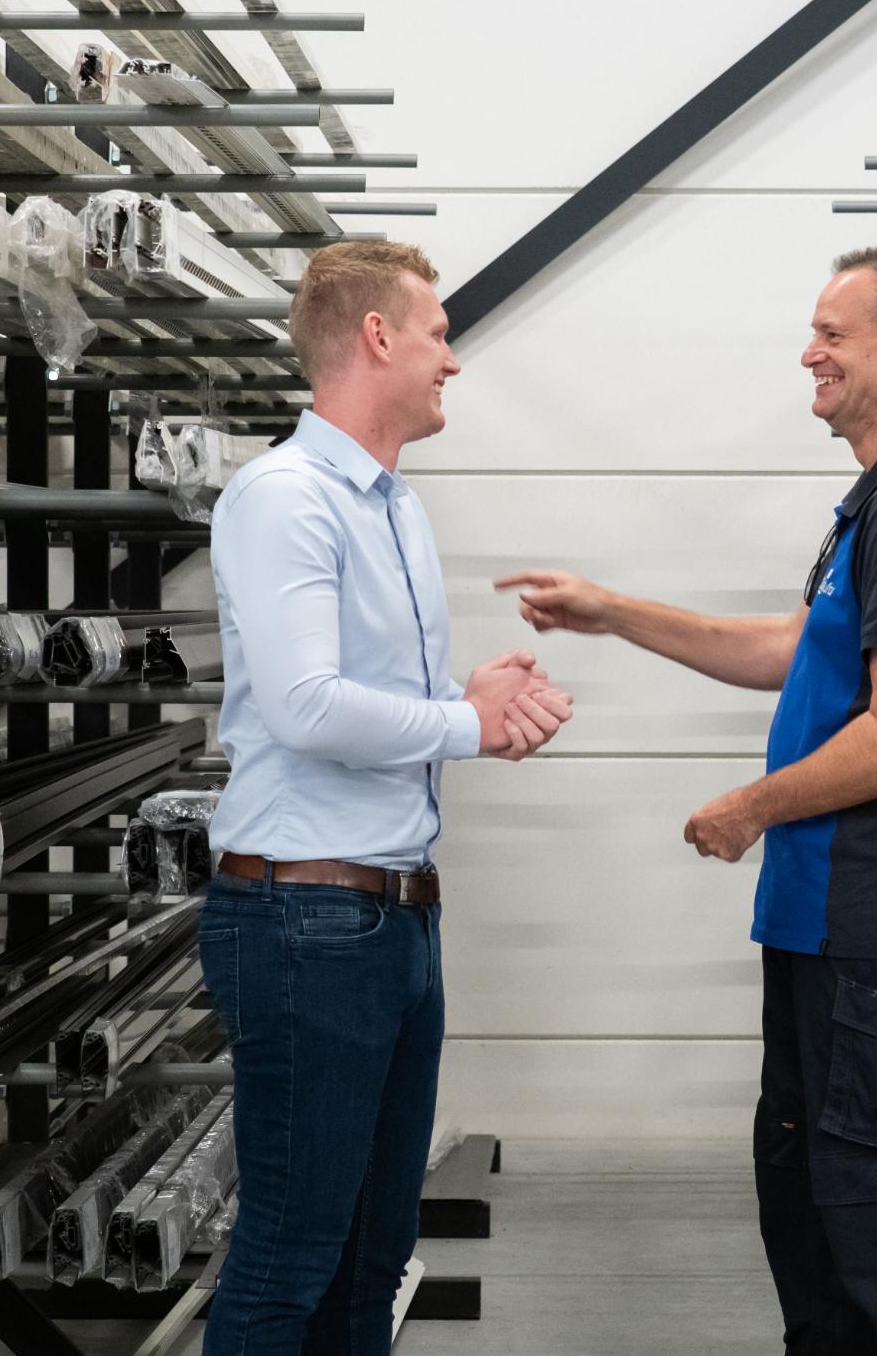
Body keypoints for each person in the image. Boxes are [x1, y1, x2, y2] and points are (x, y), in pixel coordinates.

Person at [497, 247, 877, 1356]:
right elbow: (793, 649)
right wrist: (612, 609)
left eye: (833, 332)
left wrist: (751, 807)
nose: (808, 353)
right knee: (814, 1207)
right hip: (826, 924)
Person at [202, 240, 573, 1353]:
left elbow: (362, 701)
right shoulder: (285, 497)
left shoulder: (394, 508)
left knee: (371, 1258)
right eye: (438, 332)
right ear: (376, 337)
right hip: (308, 921)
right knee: (290, 1252)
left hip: (392, 915)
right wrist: (468, 724)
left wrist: (461, 696)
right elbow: (309, 705)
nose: (450, 359)